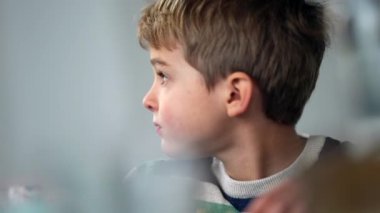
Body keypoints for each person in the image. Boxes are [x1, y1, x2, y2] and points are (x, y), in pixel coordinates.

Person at [126, 0, 341, 212]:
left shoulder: (352, 179)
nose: (148, 100)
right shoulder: (148, 188)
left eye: (164, 76)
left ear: (234, 95)